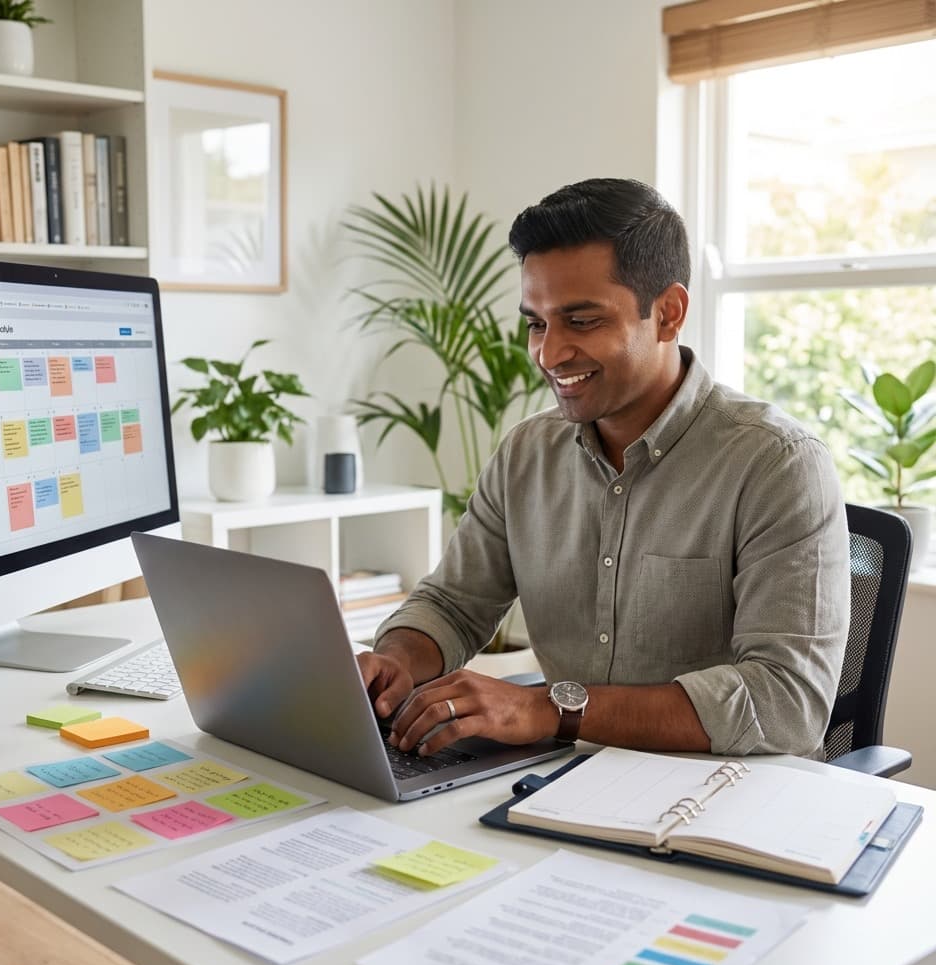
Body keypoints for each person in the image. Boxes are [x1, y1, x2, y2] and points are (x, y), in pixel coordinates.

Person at [357, 177, 850, 762]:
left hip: (720, 802)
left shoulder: (777, 465)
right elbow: (451, 605)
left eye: (582, 321)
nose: (549, 353)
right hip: (564, 782)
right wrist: (394, 662)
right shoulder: (525, 455)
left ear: (668, 313)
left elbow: (784, 704)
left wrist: (549, 708)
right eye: (536, 323)